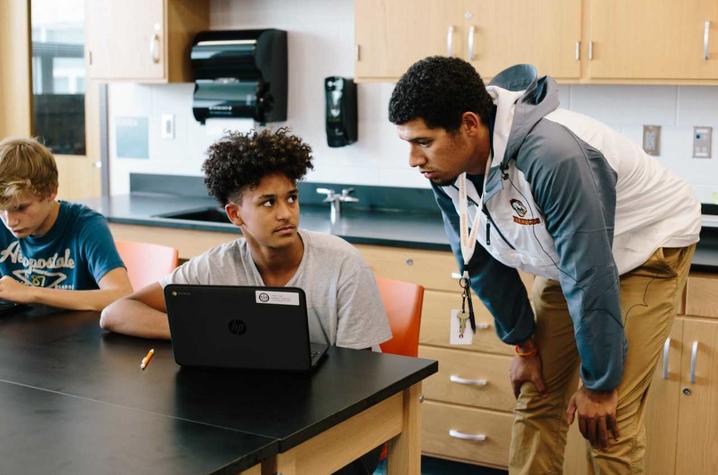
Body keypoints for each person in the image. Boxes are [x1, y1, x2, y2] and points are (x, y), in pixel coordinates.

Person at [388, 57, 700, 473]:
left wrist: (600, 384)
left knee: (608, 420)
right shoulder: (448, 170)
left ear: (468, 124)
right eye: (407, 143)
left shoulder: (554, 155)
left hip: (645, 247)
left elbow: (589, 273)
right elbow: (477, 257)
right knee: (537, 396)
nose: (412, 159)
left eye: (423, 142)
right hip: (567, 259)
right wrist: (525, 344)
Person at [101, 127, 391, 475]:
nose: (286, 213)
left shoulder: (343, 265)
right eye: (269, 202)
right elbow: (116, 312)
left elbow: (358, 381)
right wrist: (200, 334)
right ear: (235, 215)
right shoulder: (217, 265)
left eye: (292, 198)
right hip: (255, 422)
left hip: (343, 425)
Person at [0, 137, 131, 311]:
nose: (10, 221)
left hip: (77, 335)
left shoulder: (87, 226)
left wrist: (32, 292)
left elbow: (121, 295)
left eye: (21, 208)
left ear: (51, 191)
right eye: (2, 209)